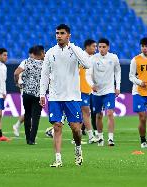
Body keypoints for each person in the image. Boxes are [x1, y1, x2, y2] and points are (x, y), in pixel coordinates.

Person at [40, 24, 90, 167]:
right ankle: (58, 159)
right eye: (57, 33)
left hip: (72, 96)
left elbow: (87, 64)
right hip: (55, 96)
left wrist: (72, 46)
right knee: (57, 126)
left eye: (62, 33)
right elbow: (44, 74)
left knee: (76, 129)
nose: (59, 36)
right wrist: (42, 93)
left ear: (68, 35)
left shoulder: (75, 50)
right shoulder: (50, 52)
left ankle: (78, 149)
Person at [86, 38, 121, 146]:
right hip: (96, 92)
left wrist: (118, 86)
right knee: (98, 115)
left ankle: (110, 139)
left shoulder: (113, 57)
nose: (101, 49)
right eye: (99, 47)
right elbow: (88, 74)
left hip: (109, 90)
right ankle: (100, 137)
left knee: (110, 113)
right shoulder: (93, 59)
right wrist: (92, 85)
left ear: (108, 47)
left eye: (103, 47)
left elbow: (118, 72)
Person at [14, 45, 45, 145]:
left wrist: (17, 82)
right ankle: (32, 140)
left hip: (26, 93)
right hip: (38, 94)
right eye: (43, 52)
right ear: (40, 53)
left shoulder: (26, 61)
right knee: (35, 117)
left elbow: (16, 73)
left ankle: (28, 139)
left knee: (27, 115)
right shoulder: (45, 64)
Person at [12, 47, 35, 137]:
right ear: (30, 54)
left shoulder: (36, 63)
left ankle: (18, 126)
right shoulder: (25, 62)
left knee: (31, 111)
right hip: (26, 89)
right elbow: (16, 73)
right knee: (31, 111)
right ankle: (28, 131)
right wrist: (18, 83)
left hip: (33, 89)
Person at [79, 39, 98, 144]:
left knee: (83, 113)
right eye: (93, 46)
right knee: (86, 112)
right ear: (87, 47)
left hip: (87, 89)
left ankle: (53, 131)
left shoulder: (93, 58)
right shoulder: (81, 57)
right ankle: (90, 136)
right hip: (79, 89)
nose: (95, 48)